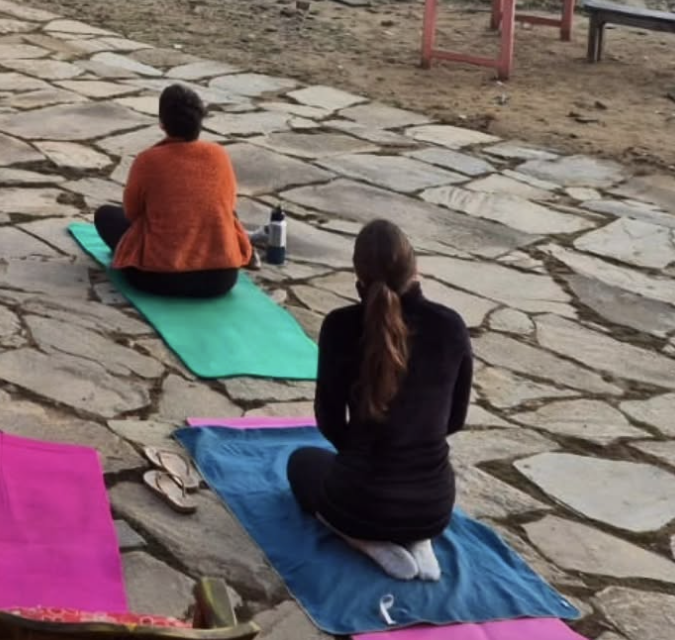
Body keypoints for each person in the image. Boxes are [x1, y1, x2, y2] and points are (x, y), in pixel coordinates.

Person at [286, 219, 473, 583]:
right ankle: (418, 541)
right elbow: (454, 420)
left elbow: (329, 420)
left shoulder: (339, 326)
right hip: (434, 507)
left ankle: (365, 541)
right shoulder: (450, 326)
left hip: (359, 502)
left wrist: (360, 454)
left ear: (358, 277)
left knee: (301, 463)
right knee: (395, 493)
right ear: (415, 269)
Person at [92, 83, 252, 298]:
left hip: (159, 277)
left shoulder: (148, 160)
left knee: (106, 215)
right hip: (221, 278)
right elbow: (229, 206)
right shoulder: (219, 154)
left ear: (162, 124)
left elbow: (133, 213)